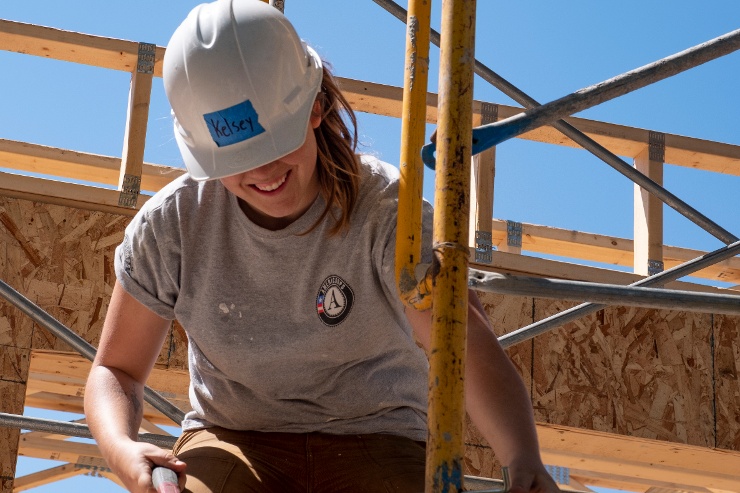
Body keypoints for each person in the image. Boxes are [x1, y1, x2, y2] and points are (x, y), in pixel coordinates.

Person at [84, 1, 560, 492]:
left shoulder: (386, 211)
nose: (264, 172)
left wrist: (522, 458)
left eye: (275, 145)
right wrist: (121, 447)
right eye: (239, 159)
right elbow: (115, 368)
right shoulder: (175, 223)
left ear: (315, 108)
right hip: (231, 435)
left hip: (379, 433)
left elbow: (462, 344)